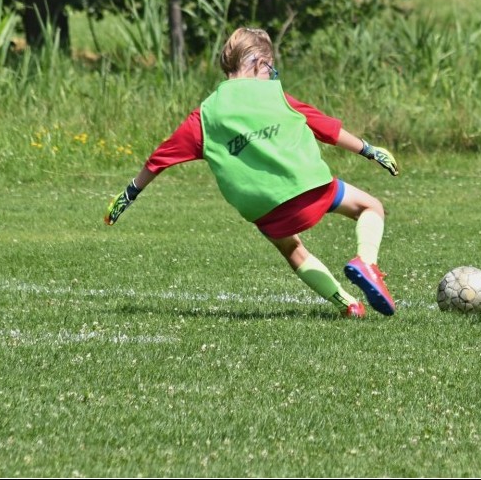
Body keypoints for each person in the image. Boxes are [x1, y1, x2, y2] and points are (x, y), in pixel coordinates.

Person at [104, 27, 400, 319]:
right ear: (258, 62)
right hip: (308, 186)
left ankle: (347, 305)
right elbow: (328, 130)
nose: (271, 76)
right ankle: (366, 263)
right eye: (269, 68)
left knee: (292, 249)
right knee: (370, 207)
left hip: (262, 209)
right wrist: (369, 150)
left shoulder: (204, 115)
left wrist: (128, 194)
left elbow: (160, 158)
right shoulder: (276, 95)